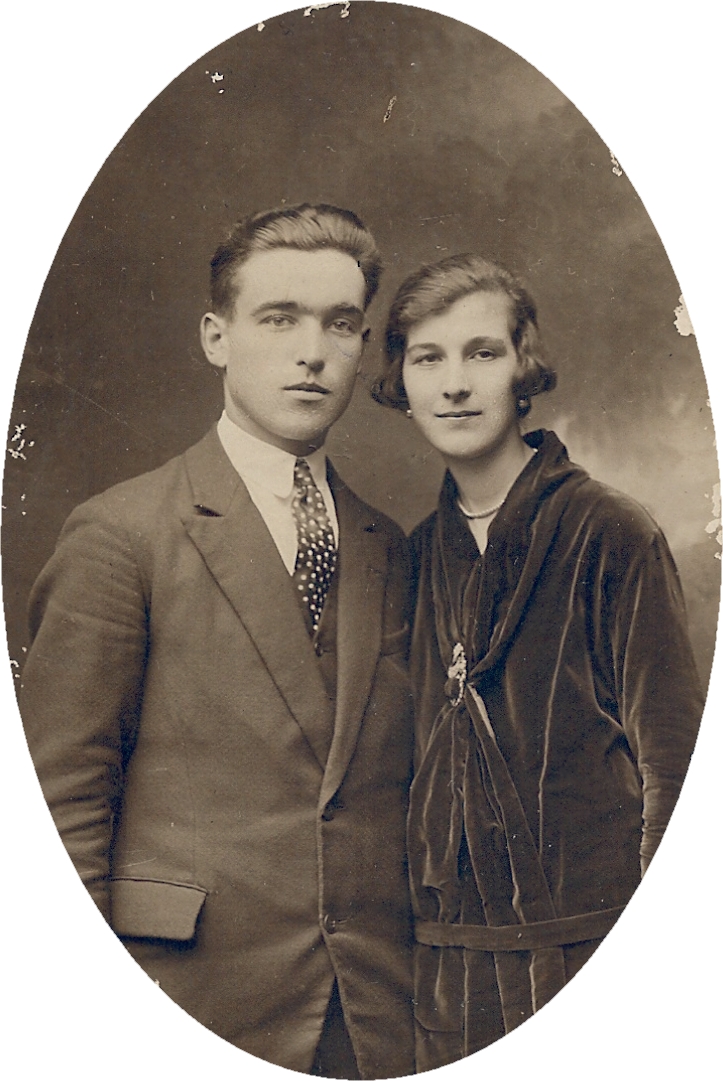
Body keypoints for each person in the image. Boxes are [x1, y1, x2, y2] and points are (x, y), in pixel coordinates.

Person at [21, 204, 416, 1079]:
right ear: (216, 337)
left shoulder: (389, 547)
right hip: (182, 1001)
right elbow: (55, 804)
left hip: (371, 1018)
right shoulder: (122, 533)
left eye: (339, 323)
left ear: (362, 346)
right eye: (278, 318)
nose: (311, 351)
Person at [372, 253, 704, 1072]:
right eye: (428, 358)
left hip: (592, 956)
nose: (455, 384)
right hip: (445, 979)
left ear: (523, 365)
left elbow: (677, 770)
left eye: (481, 352)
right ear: (400, 382)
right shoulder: (413, 557)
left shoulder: (610, 532)